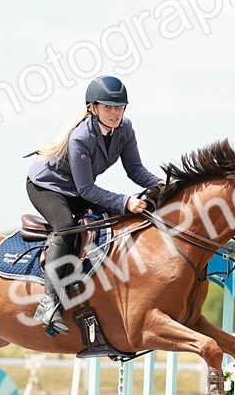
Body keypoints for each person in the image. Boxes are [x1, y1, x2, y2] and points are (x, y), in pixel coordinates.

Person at [25, 75, 163, 335]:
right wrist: (125, 201)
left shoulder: (125, 129)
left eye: (119, 107)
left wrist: (161, 183)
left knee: (112, 220)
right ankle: (49, 302)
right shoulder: (81, 137)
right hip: (47, 186)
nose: (115, 113)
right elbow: (86, 189)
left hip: (77, 188)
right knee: (66, 227)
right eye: (108, 107)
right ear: (93, 108)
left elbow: (135, 169)